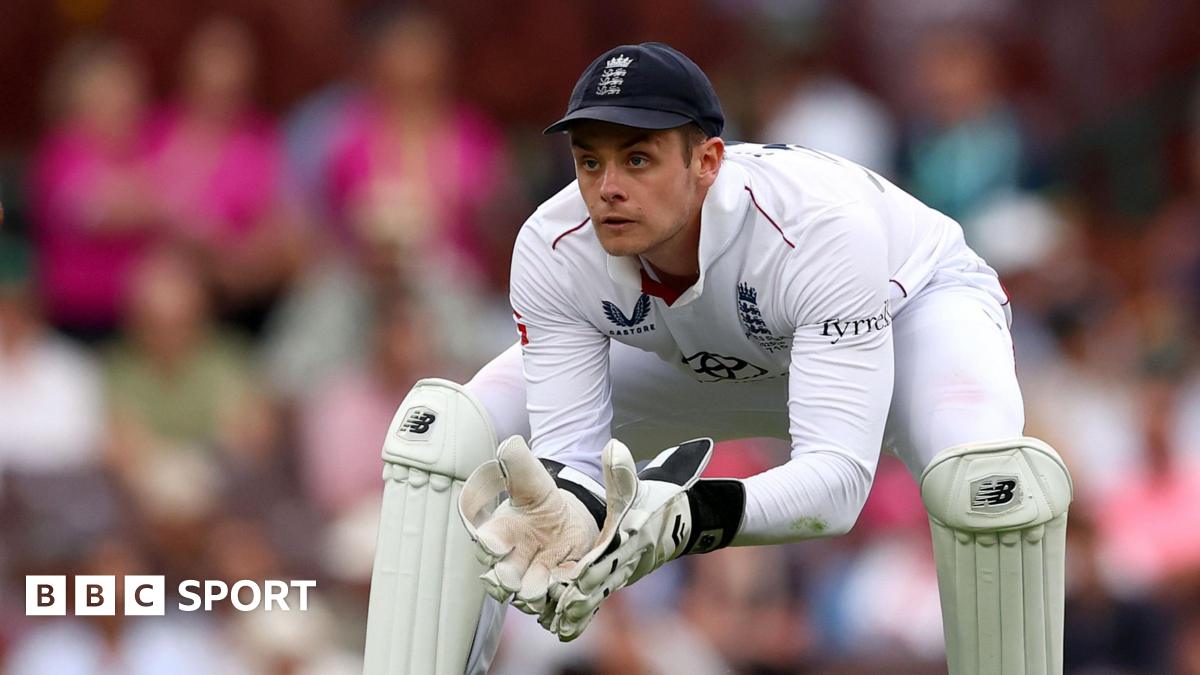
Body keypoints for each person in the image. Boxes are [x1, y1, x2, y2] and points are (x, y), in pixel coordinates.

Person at [363, 42, 1072, 675]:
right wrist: (573, 519)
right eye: (590, 160)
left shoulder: (818, 228)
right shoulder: (553, 246)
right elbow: (570, 463)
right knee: (443, 435)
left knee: (990, 484)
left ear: (706, 161)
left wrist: (685, 516)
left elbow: (837, 486)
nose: (607, 188)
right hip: (697, 355)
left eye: (637, 158)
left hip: (906, 315)